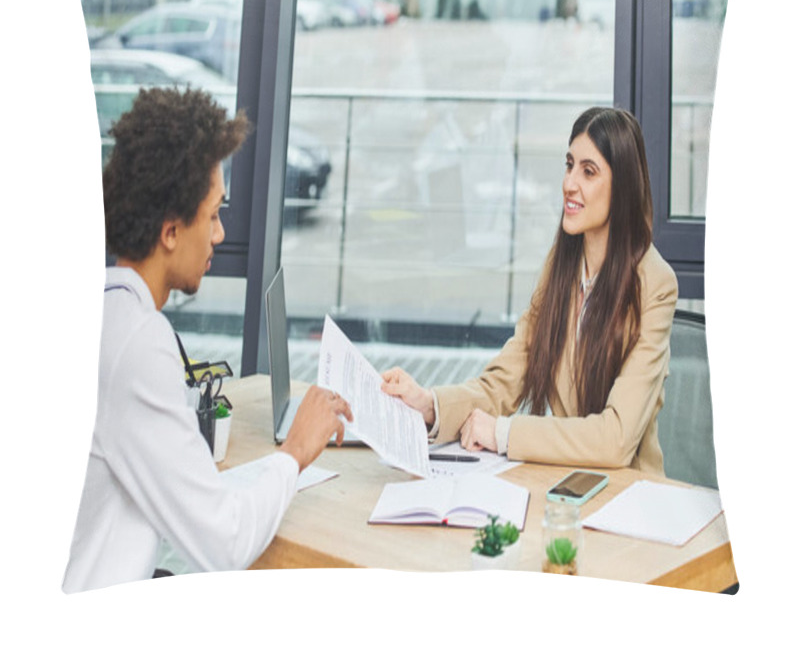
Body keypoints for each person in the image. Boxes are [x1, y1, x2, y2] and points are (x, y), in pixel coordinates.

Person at [63, 87, 352, 593]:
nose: (219, 234)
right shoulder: (135, 342)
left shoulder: (101, 309)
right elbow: (224, 543)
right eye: (214, 213)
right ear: (171, 231)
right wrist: (298, 451)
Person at [381, 107, 678, 475]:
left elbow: (616, 438)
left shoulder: (656, 285)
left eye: (589, 171)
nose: (570, 183)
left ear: (624, 187)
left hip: (628, 499)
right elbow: (505, 382)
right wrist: (430, 405)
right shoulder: (562, 265)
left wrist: (503, 433)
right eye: (569, 165)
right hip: (566, 482)